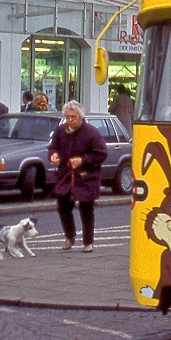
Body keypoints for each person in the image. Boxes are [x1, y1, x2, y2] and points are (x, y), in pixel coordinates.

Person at [49, 100, 108, 252]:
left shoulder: (92, 133)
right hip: (66, 175)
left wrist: (83, 160)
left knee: (86, 208)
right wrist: (54, 155)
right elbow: (53, 146)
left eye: (73, 117)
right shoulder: (60, 131)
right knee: (63, 206)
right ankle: (70, 236)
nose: (70, 120)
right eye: (67, 117)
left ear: (81, 117)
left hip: (87, 176)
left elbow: (101, 154)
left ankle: (88, 242)